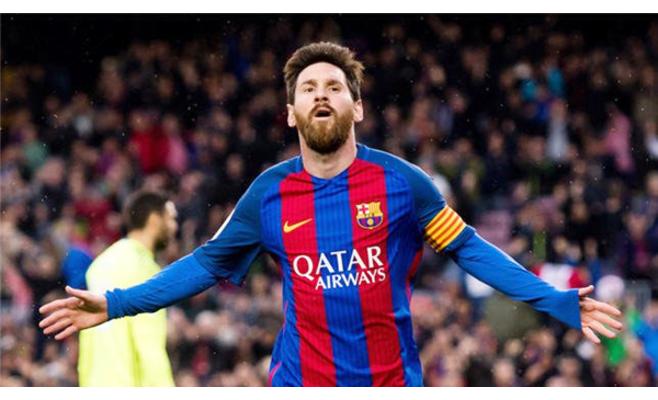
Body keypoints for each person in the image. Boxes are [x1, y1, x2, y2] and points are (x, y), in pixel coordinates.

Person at [39, 42, 623, 387]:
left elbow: (470, 249)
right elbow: (205, 265)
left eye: (335, 86)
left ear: (357, 107)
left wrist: (555, 301)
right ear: (291, 113)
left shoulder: (403, 184)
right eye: (308, 88)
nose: (321, 93)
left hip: (392, 382)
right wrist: (117, 304)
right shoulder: (266, 196)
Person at [76, 191, 178, 386]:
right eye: (171, 218)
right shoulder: (146, 269)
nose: (175, 227)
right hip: (129, 383)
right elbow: (149, 342)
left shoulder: (101, 263)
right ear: (154, 220)